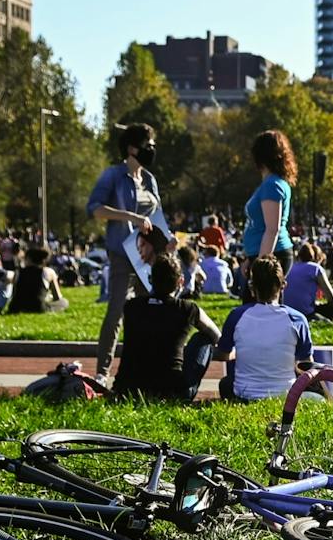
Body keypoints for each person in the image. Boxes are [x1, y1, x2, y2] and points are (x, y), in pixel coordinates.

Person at [87, 123, 163, 379]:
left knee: (148, 312)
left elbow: (158, 217)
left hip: (147, 257)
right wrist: (129, 216)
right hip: (122, 253)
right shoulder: (113, 175)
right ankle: (102, 372)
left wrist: (169, 240)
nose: (151, 150)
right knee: (116, 311)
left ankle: (141, 369)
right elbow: (95, 208)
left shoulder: (150, 179)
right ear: (132, 148)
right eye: (147, 145)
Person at [113, 254, 222, 401]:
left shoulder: (131, 306)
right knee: (203, 338)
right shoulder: (187, 309)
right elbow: (216, 335)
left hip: (127, 389)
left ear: (151, 280)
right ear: (180, 281)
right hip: (171, 391)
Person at [213, 256, 313, 401]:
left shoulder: (237, 316)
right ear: (283, 285)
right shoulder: (297, 319)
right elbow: (306, 364)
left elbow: (223, 354)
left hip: (243, 394)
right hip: (286, 395)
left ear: (252, 286)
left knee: (226, 383)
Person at [242, 129, 297, 280]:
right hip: (263, 253)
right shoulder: (272, 183)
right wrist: (249, 258)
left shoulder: (272, 185)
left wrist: (260, 264)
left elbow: (272, 229)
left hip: (272, 254)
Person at [283, 241, 333, 321]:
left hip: (287, 311)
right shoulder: (316, 268)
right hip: (306, 312)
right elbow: (331, 297)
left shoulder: (290, 268)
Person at [6, 246, 69, 314]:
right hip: (37, 307)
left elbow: (16, 293)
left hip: (16, 307)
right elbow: (57, 297)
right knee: (64, 302)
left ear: (28, 258)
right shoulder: (48, 272)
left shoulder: (18, 272)